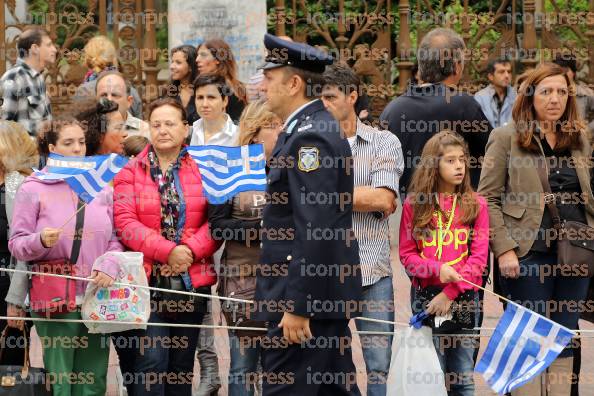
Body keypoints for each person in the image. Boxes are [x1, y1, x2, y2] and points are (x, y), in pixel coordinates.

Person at [255, 33, 362, 395]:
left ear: (295, 83)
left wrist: (298, 306)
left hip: (304, 304)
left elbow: (315, 227)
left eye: (269, 78)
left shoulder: (309, 138)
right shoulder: (307, 129)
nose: (261, 86)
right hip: (318, 298)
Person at [478, 63, 594, 395]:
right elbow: (487, 198)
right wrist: (504, 249)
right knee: (528, 337)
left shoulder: (579, 140)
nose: (555, 98)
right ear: (530, 97)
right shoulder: (505, 138)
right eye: (546, 91)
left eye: (562, 92)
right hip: (527, 257)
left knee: (565, 336)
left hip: (576, 256)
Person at [8, 118, 123, 396]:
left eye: (81, 142)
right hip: (55, 296)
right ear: (52, 148)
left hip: (97, 295)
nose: (77, 149)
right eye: (68, 143)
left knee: (93, 380)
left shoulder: (101, 187)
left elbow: (115, 238)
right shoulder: (32, 187)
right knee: (62, 381)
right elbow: (17, 244)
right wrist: (39, 240)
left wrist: (109, 263)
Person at [113, 97, 220, 396]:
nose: (162, 130)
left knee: (181, 369)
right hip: (147, 284)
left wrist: (189, 251)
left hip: (191, 282)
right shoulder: (129, 172)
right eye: (156, 124)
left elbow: (218, 220)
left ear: (185, 129)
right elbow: (125, 223)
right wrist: (167, 251)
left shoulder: (205, 169)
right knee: (151, 362)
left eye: (170, 123)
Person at [321, 63, 402, 396]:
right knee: (330, 366)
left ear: (352, 96)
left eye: (330, 96)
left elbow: (383, 199)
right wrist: (357, 195)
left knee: (379, 366)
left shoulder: (384, 141)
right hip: (325, 273)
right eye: (319, 97)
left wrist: (321, 195)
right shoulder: (312, 144)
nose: (323, 104)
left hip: (372, 271)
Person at [400, 130, 489, 396]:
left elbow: (479, 260)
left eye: (462, 159)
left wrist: (449, 293)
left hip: (464, 296)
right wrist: (437, 269)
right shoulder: (414, 205)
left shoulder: (477, 204)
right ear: (433, 165)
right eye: (450, 160)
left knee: (462, 375)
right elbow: (407, 256)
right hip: (425, 296)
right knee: (432, 373)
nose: (459, 165)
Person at [208, 100, 282, 396]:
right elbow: (218, 225)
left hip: (283, 283)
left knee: (277, 366)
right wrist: (259, 229)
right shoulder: (230, 170)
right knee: (243, 365)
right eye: (275, 126)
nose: (282, 131)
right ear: (254, 133)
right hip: (242, 283)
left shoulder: (290, 169)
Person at [379, 27, 492, 194]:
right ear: (456, 66)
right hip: (457, 214)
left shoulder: (392, 110)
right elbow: (494, 152)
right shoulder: (464, 105)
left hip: (409, 214)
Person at [0, 122, 39, 366]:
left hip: (10, 285)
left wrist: (16, 301)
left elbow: (26, 249)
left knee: (10, 364)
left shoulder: (23, 186)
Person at [0, 27, 56, 136]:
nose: (54, 49)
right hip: (22, 152)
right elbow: (3, 127)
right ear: (35, 48)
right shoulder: (14, 77)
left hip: (42, 151)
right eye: (49, 45)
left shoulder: (38, 77)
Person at [74, 35, 143, 118]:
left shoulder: (84, 91)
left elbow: (78, 126)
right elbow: (138, 127)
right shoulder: (131, 91)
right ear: (114, 58)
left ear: (87, 61)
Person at [196, 39, 246, 122]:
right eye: (197, 55)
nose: (197, 59)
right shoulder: (234, 84)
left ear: (217, 59)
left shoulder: (226, 87)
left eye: (203, 55)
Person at [95, 70, 150, 139]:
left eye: (115, 95)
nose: (109, 99)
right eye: (103, 95)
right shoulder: (84, 131)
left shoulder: (145, 132)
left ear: (129, 101)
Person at [190, 74, 238, 146]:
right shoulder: (190, 132)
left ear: (225, 101)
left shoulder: (239, 136)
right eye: (200, 97)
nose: (204, 104)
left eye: (211, 97)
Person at [553, 53, 594, 135]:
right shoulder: (550, 94)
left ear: (574, 72)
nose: (562, 74)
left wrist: (588, 129)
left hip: (578, 141)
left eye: (565, 70)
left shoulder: (584, 92)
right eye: (558, 70)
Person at [474, 58, 517, 128]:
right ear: (490, 76)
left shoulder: (517, 96)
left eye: (509, 72)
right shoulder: (480, 97)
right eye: (501, 72)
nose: (507, 76)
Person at [167, 45, 199, 124]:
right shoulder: (168, 92)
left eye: (178, 62)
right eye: (172, 62)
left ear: (191, 67)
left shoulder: (203, 91)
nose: (172, 66)